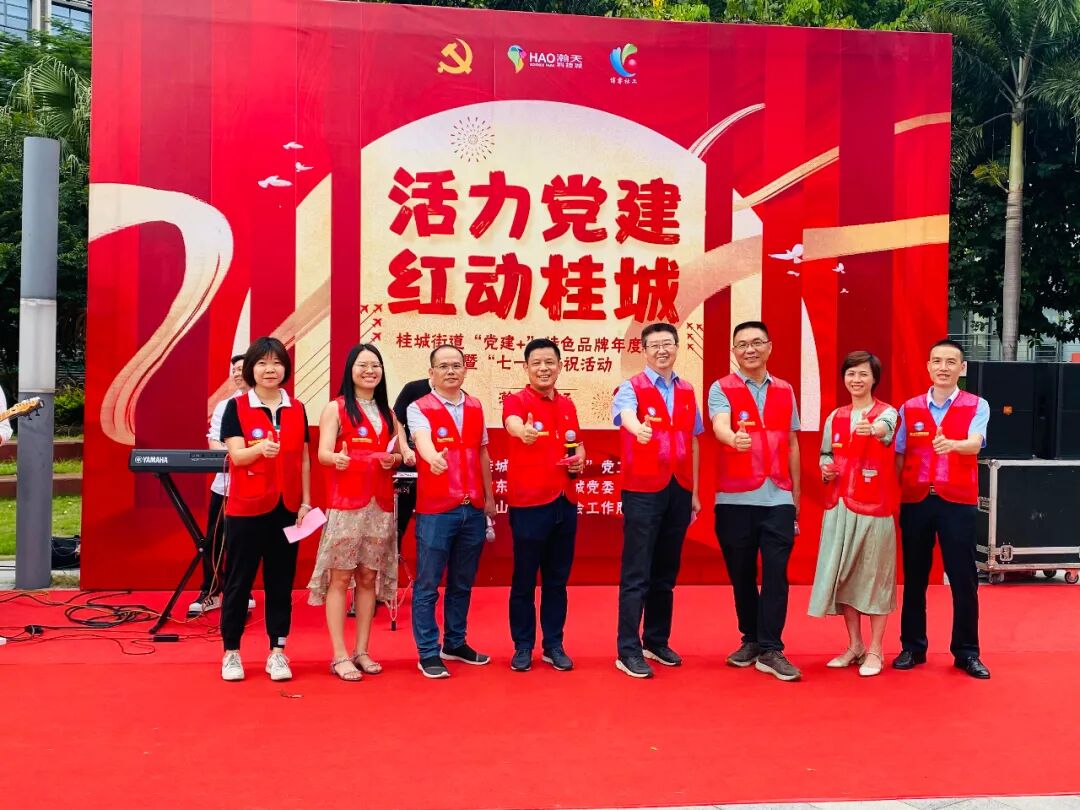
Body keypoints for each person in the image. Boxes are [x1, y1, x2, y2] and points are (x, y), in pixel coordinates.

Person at [893, 339, 991, 679]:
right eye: (937, 361)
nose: (943, 367)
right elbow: (900, 453)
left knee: (964, 578)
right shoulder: (909, 408)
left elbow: (975, 444)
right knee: (914, 577)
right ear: (928, 367)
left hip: (957, 501)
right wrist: (899, 489)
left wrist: (953, 445)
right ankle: (912, 647)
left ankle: (967, 652)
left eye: (951, 362)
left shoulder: (976, 405)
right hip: (917, 500)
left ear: (962, 368)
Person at [710, 320, 802, 682]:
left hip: (778, 497)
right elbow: (719, 424)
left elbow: (792, 442)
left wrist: (795, 495)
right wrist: (733, 438)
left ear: (769, 347)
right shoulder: (721, 388)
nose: (749, 349)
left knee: (777, 573)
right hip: (734, 498)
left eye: (756, 342)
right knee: (742, 574)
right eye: (742, 344)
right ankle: (750, 639)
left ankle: (772, 648)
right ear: (734, 351)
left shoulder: (785, 389)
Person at [218, 337, 312, 682]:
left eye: (276, 363)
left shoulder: (297, 408)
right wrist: (260, 450)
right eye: (262, 363)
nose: (270, 369)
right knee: (239, 582)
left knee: (281, 583)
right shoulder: (237, 407)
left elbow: (304, 459)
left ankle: (278, 651)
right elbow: (236, 455)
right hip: (247, 509)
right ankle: (231, 652)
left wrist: (305, 501)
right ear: (250, 369)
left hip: (287, 509)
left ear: (285, 368)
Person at [613, 322, 703, 679]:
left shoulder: (687, 389)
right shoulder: (631, 388)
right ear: (644, 351)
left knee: (666, 571)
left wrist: (694, 492)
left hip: (679, 488)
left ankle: (656, 640)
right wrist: (639, 429)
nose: (662, 350)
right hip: (643, 489)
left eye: (668, 343)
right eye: (654, 345)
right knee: (637, 572)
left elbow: (693, 439)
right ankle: (628, 649)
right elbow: (626, 416)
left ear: (677, 347)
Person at [310, 343, 404, 681]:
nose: (369, 371)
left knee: (367, 578)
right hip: (347, 505)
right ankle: (339, 655)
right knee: (340, 577)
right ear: (350, 370)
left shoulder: (388, 412)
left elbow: (400, 454)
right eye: (362, 365)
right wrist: (337, 458)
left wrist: (394, 459)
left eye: (375, 365)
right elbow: (322, 453)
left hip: (379, 506)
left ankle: (362, 650)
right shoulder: (335, 408)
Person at [407, 344, 496, 678]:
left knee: (462, 583)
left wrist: (489, 498)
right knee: (428, 584)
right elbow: (422, 440)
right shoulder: (419, 407)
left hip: (472, 508)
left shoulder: (475, 406)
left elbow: (482, 453)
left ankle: (455, 643)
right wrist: (433, 458)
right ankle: (428, 652)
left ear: (465, 369)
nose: (450, 371)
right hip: (436, 509)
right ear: (431, 373)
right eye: (443, 366)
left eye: (456, 365)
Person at [808, 351, 898, 677]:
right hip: (839, 506)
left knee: (874, 578)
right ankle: (855, 644)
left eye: (863, 374)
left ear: (874, 379)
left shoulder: (887, 413)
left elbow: (885, 430)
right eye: (851, 373)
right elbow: (825, 453)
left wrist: (872, 429)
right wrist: (826, 469)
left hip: (874, 507)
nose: (856, 379)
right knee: (844, 576)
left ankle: (876, 649)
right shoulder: (835, 416)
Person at [502, 338, 585, 673]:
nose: (544, 368)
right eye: (536, 362)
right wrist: (522, 432)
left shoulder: (567, 405)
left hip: (565, 501)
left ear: (560, 366)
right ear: (526, 367)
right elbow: (513, 423)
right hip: (530, 503)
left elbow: (577, 444)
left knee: (557, 580)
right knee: (524, 579)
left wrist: (580, 458)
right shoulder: (516, 401)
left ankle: (553, 644)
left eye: (550, 362)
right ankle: (523, 646)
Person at [188, 354, 255, 617]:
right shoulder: (225, 406)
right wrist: (237, 457)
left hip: (257, 486)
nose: (237, 374)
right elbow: (215, 441)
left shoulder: (267, 405)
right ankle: (211, 591)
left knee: (245, 541)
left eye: (241, 369)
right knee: (215, 540)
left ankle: (242, 591)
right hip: (225, 485)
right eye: (234, 370)